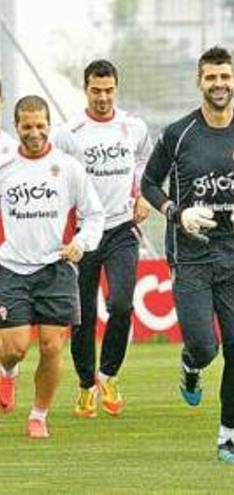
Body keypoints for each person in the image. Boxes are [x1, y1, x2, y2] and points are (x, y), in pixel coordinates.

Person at [140, 46, 234, 464]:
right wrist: (176, 214)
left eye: (225, 77)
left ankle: (227, 438)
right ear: (199, 82)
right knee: (205, 347)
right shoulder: (178, 133)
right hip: (191, 255)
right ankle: (191, 364)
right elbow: (148, 184)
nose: (219, 84)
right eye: (211, 77)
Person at [51, 59, 152, 419]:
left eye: (109, 90)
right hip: (83, 233)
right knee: (82, 314)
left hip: (123, 229)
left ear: (116, 89)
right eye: (97, 91)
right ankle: (85, 386)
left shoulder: (134, 127)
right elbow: (52, 175)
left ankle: (108, 374)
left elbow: (145, 163)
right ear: (86, 90)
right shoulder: (68, 133)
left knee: (122, 303)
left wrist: (143, 196)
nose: (103, 97)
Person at [0, 95, 104, 437]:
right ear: (17, 127)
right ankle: (8, 372)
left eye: (40, 126)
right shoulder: (4, 168)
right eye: (27, 127)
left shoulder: (69, 167)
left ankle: (39, 415)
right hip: (11, 268)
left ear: (49, 126)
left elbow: (94, 215)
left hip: (57, 268)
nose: (34, 133)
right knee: (13, 348)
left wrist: (81, 243)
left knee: (52, 346)